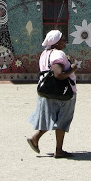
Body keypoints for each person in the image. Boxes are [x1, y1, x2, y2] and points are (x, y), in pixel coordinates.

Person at [26, 30, 77, 158]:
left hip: (47, 91)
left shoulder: (44, 54)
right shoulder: (58, 54)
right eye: (62, 39)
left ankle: (35, 139)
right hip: (63, 92)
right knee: (62, 119)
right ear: (56, 42)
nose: (65, 41)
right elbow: (58, 74)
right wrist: (72, 68)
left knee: (50, 117)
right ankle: (58, 150)